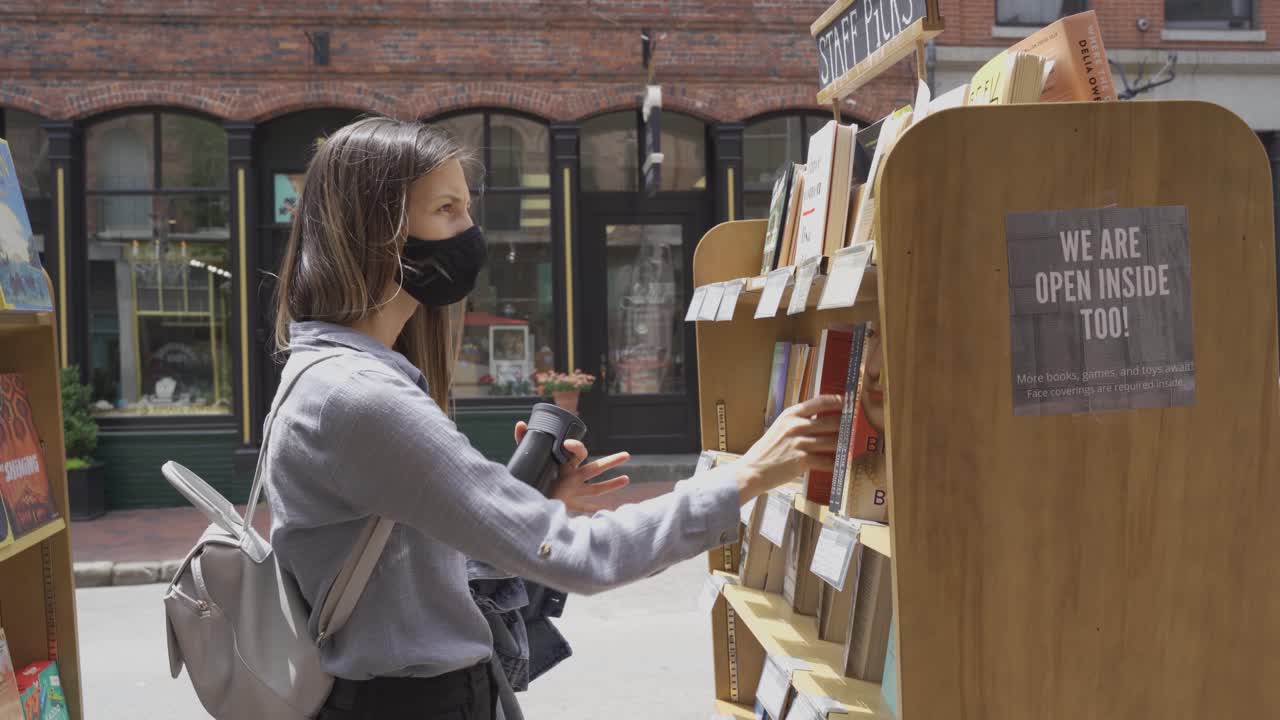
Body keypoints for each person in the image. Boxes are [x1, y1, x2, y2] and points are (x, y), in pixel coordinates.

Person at [262, 116, 842, 720]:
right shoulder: (362, 397)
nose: (470, 231)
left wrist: (532, 508)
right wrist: (745, 477)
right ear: (376, 230)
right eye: (447, 209)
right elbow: (585, 556)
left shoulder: (327, 375)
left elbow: (405, 572)